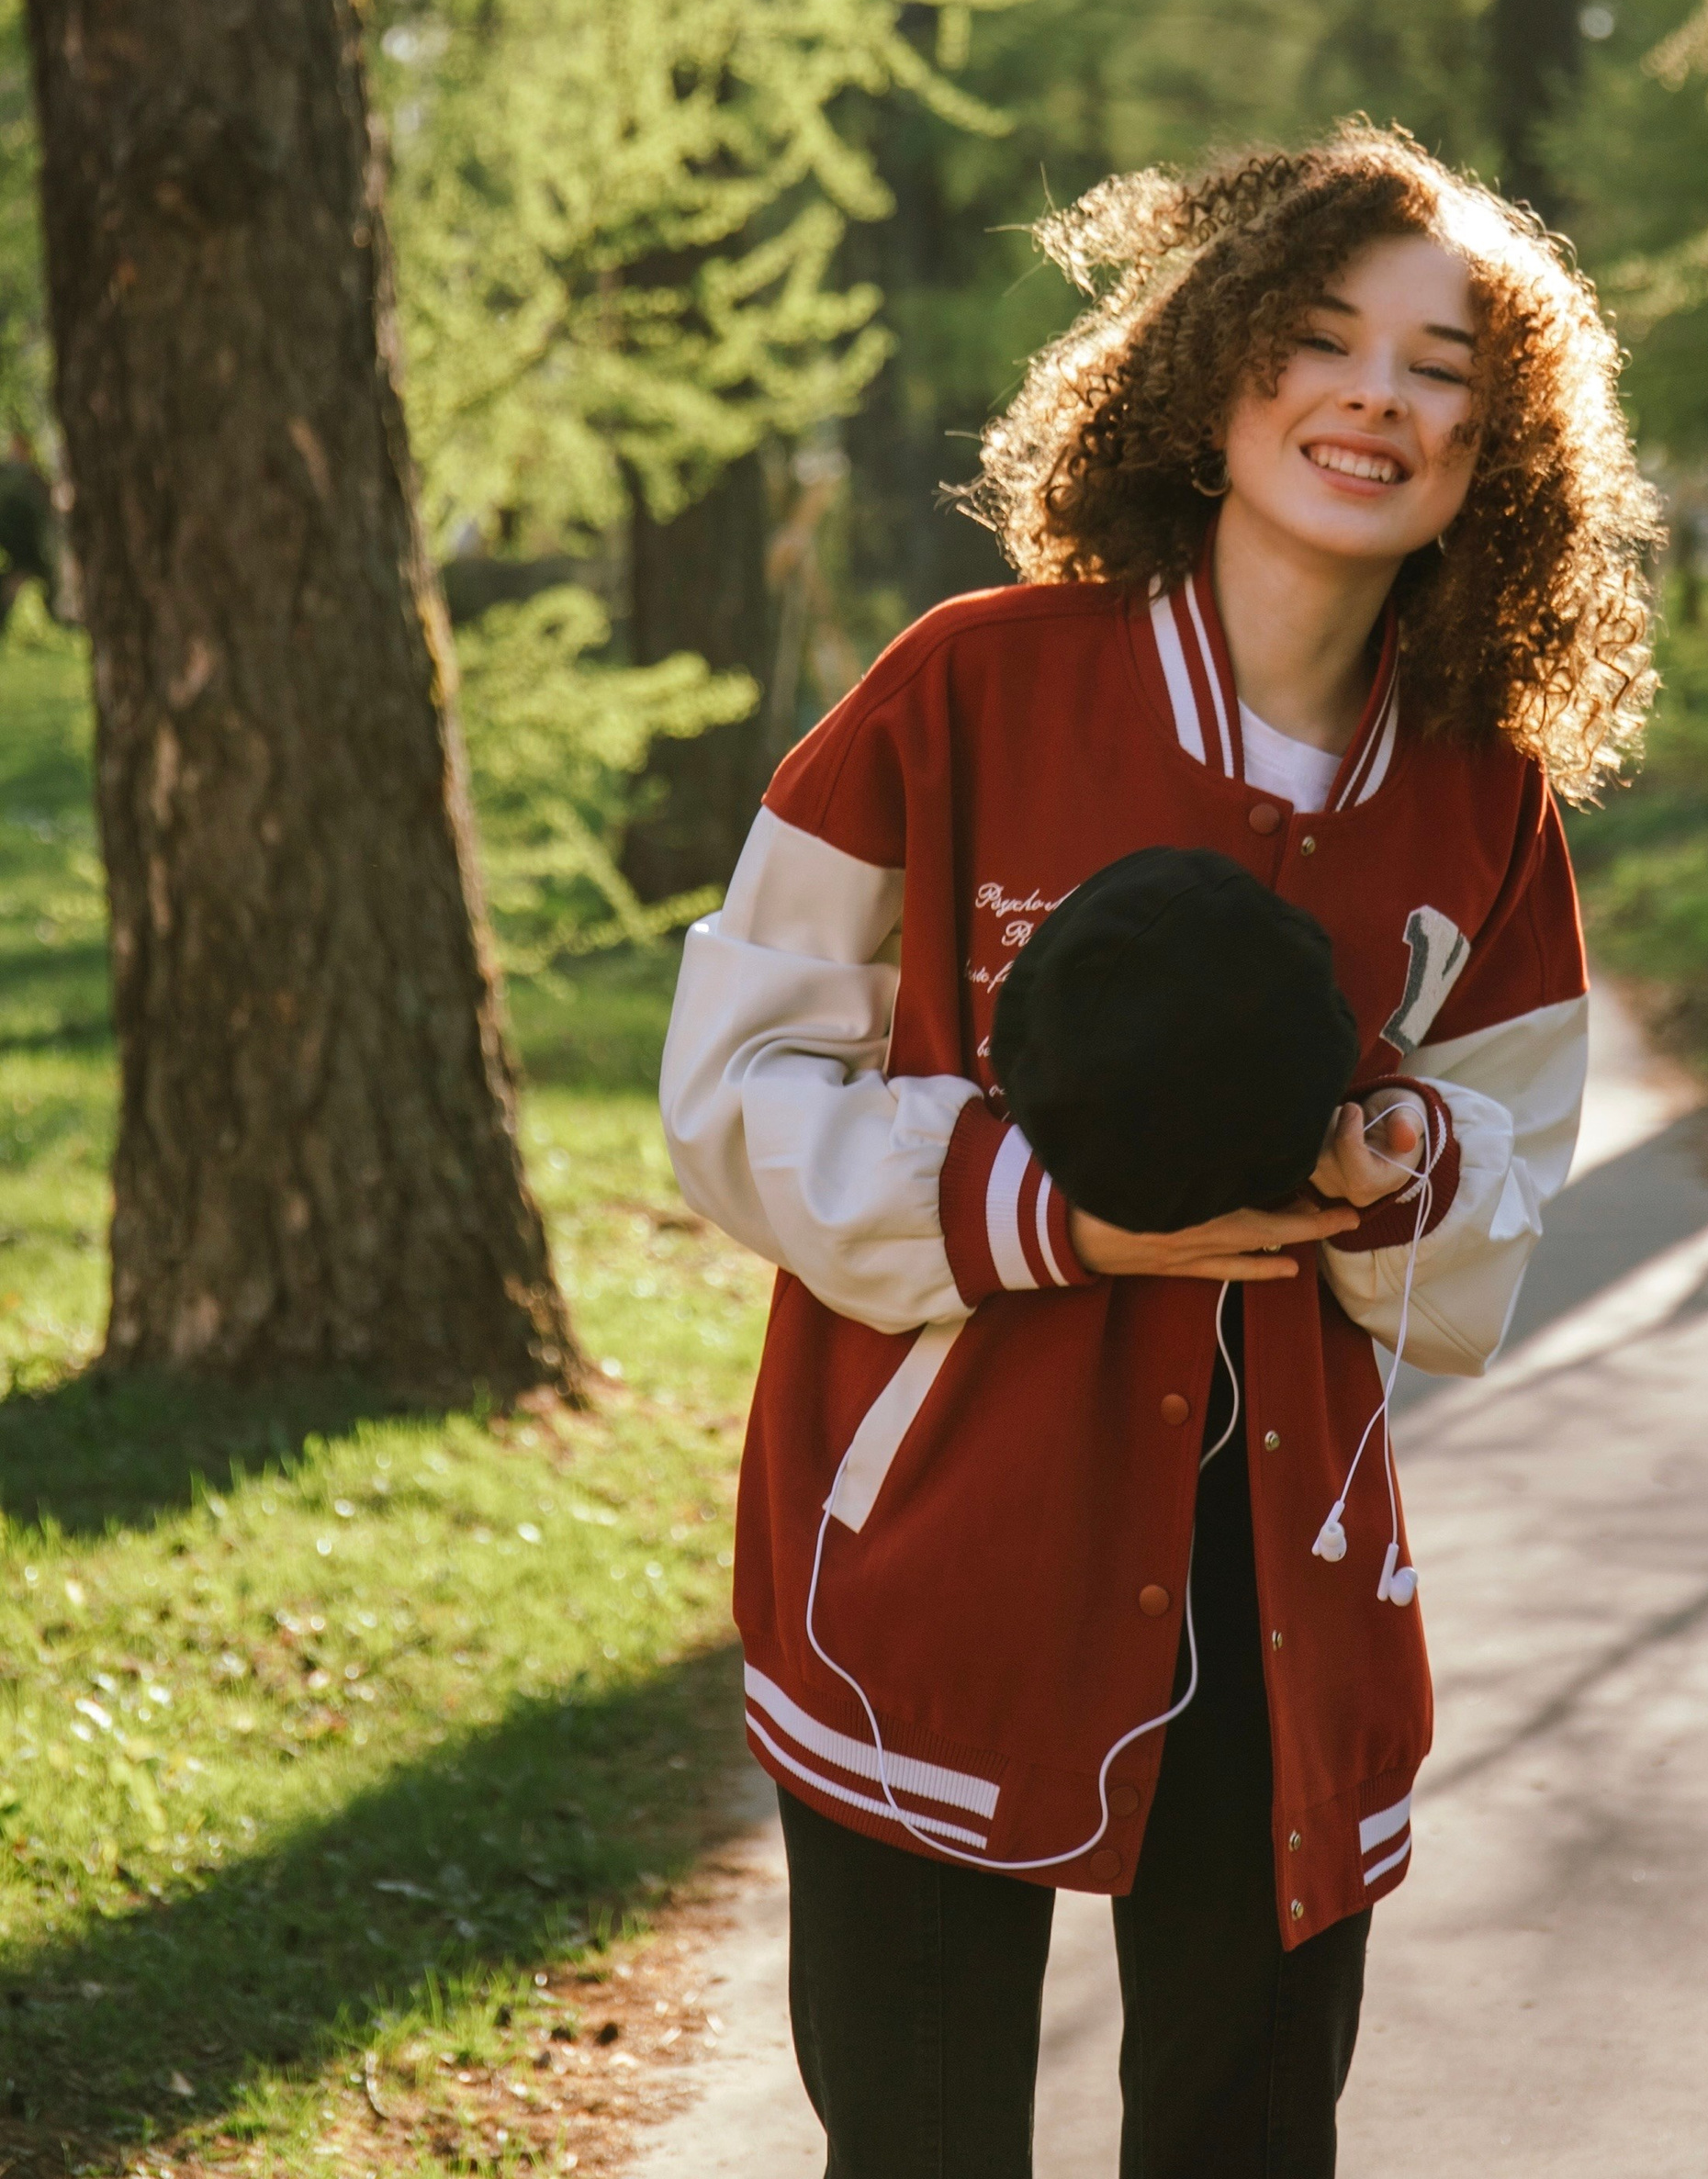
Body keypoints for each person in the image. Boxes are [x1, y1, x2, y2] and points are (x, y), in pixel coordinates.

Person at [658, 126, 1657, 2178]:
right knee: (920, 2142)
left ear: (1506, 448)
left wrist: (1399, 1158)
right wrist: (1058, 1216)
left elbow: (1512, 1150)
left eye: (1444, 370)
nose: (1377, 397)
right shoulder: (963, 687)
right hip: (932, 1540)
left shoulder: (1481, 799)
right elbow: (736, 1084)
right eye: (1320, 339)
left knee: (1241, 2129)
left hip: (1282, 1582)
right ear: (1211, 374)